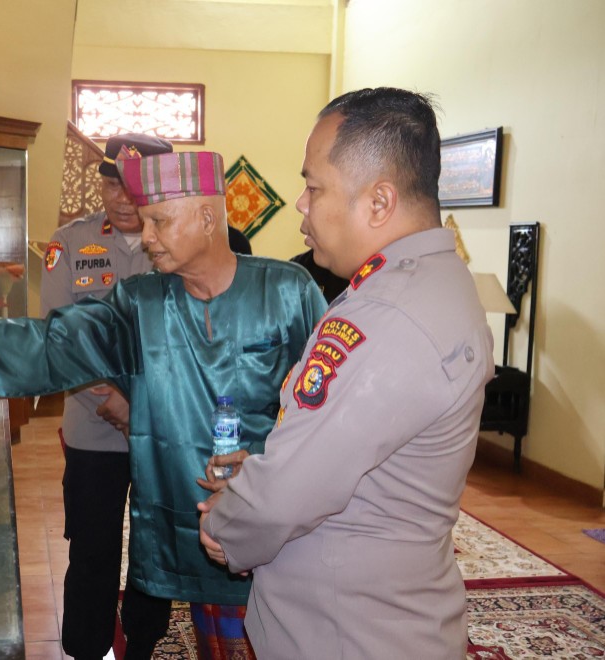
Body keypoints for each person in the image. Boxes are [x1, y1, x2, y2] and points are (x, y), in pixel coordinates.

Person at [0, 149, 327, 659]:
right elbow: (55, 342)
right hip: (180, 517)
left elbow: (325, 411)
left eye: (158, 221)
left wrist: (269, 472)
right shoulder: (141, 302)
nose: (145, 236)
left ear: (207, 217)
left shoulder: (289, 292)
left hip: (265, 523)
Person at [198, 87, 495, 659]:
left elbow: (283, 498)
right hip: (389, 614)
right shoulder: (436, 279)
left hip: (346, 632)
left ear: (379, 202)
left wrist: (227, 525)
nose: (301, 206)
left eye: (314, 186)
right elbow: (357, 452)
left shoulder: (386, 314)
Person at [40, 133, 173, 660]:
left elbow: (185, 340)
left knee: (152, 546)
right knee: (92, 551)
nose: (120, 197)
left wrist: (139, 404)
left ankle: (142, 645)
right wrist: (115, 399)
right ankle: (85, 648)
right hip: (94, 428)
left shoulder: (178, 245)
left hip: (159, 427)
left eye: (134, 187)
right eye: (111, 182)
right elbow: (60, 335)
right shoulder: (69, 243)